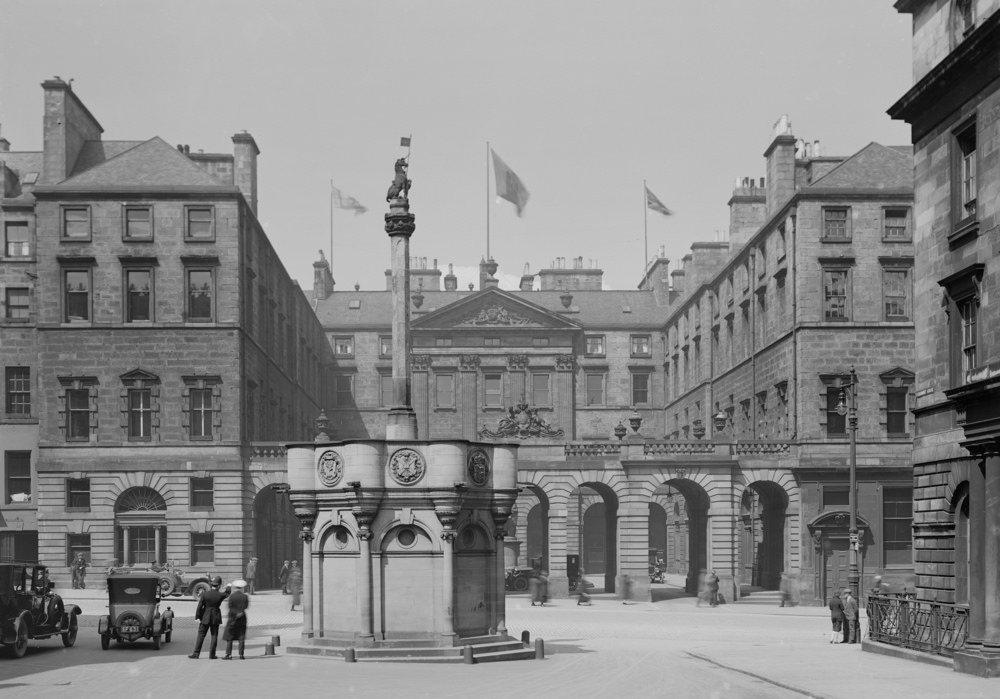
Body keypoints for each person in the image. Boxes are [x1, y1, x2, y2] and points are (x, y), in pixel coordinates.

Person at [189, 576, 228, 659]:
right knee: (214, 636)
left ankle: (196, 654)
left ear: (212, 585)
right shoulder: (220, 595)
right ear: (219, 585)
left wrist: (198, 617)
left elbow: (200, 606)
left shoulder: (205, 594)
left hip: (205, 617)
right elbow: (227, 593)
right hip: (215, 617)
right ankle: (212, 655)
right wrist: (229, 586)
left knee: (201, 635)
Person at [223, 579, 250, 660]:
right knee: (241, 636)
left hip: (232, 618)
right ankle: (241, 654)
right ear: (242, 588)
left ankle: (229, 654)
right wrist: (240, 612)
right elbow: (246, 607)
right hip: (242, 618)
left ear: (235, 587)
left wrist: (235, 613)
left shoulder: (232, 596)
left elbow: (229, 607)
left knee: (229, 636)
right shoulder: (245, 596)